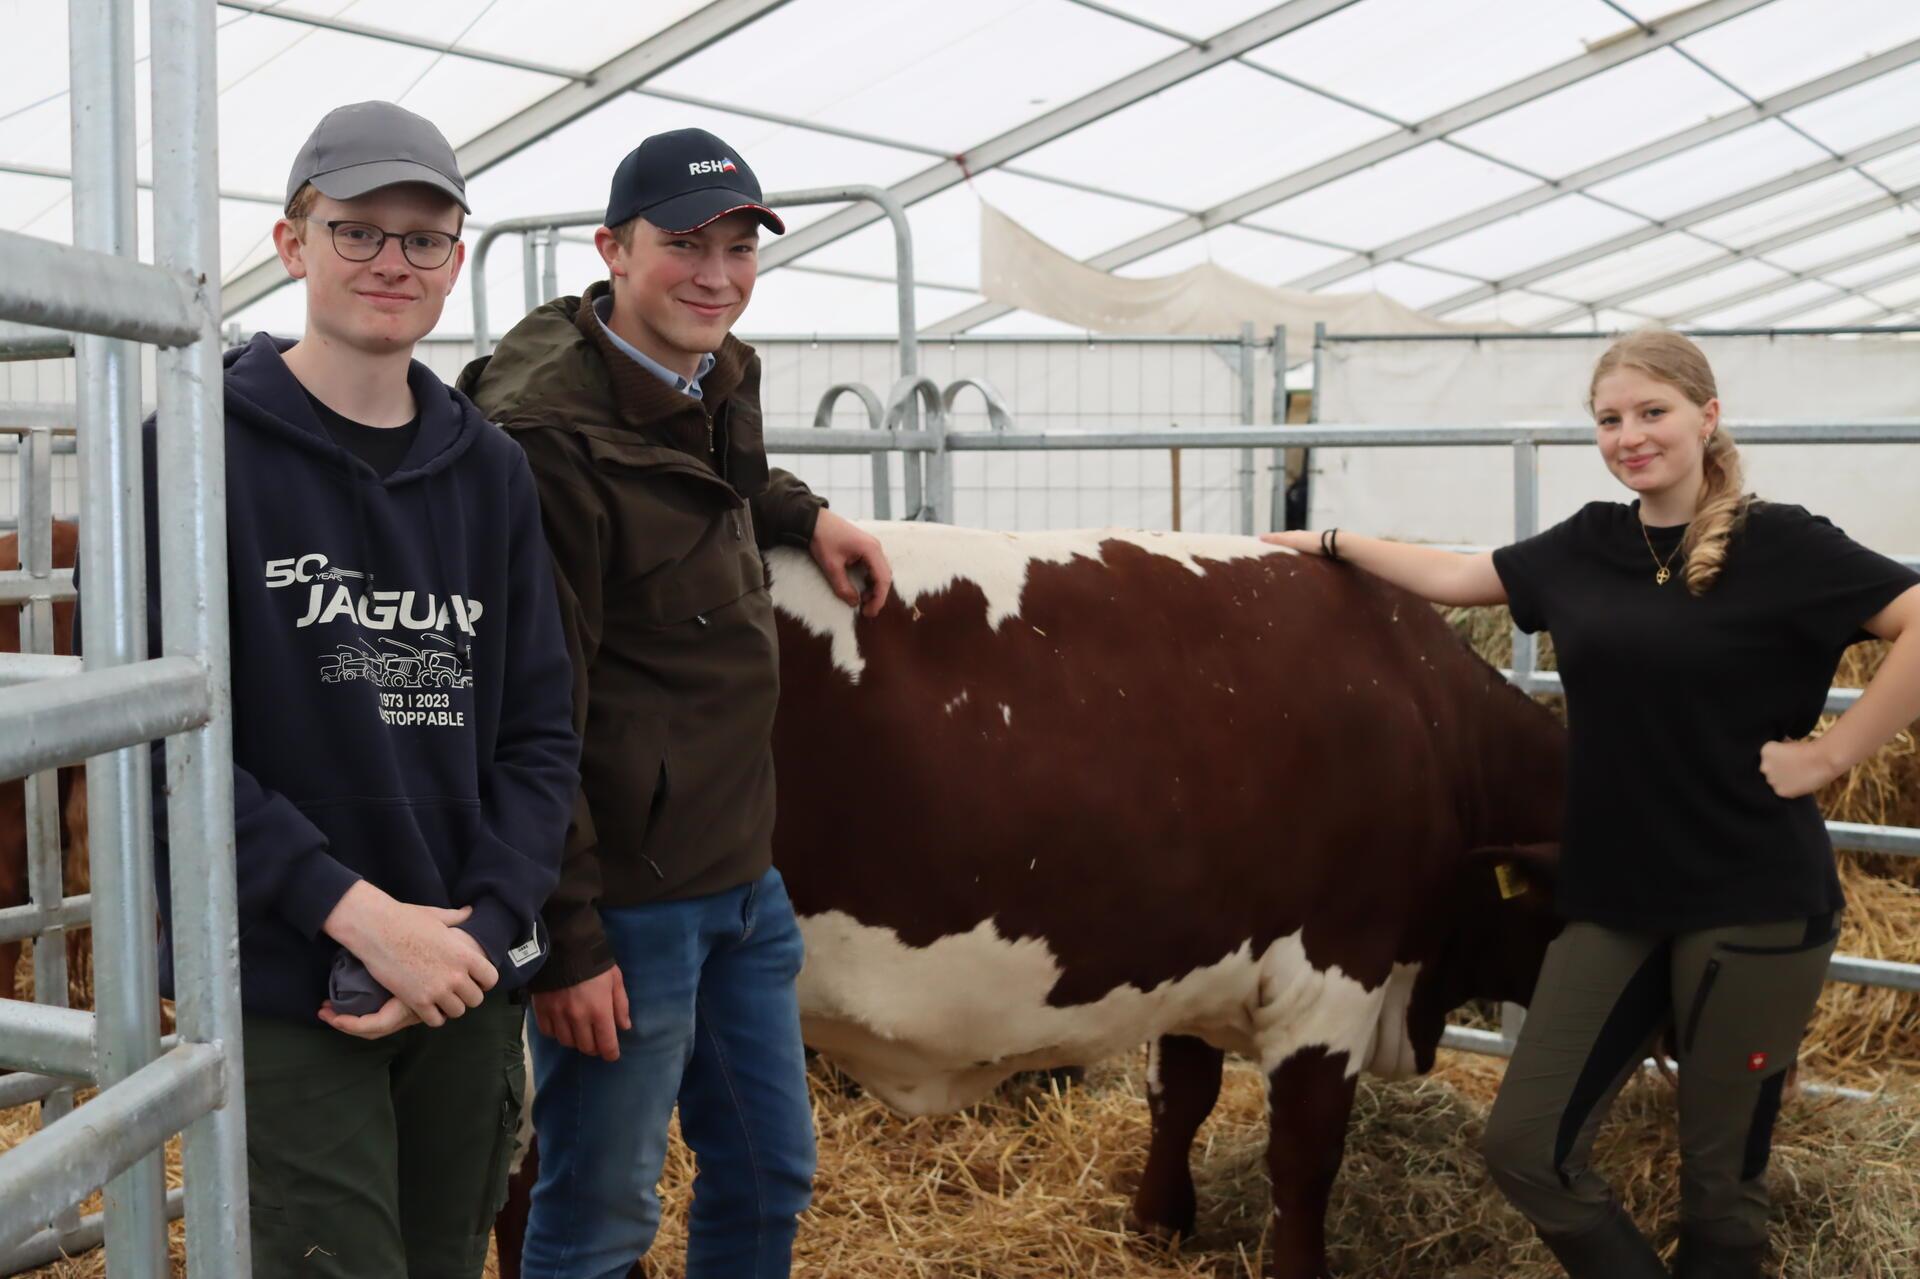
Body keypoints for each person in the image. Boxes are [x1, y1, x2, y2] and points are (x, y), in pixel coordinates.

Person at [1262, 329, 1920, 1279]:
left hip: (1756, 902)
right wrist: (1326, 542)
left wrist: (1833, 754)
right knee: (1525, 1144)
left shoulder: (1784, 542)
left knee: (1720, 1187)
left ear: (1708, 416)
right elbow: (1457, 575)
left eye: (1652, 412)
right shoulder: (1586, 544)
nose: (1630, 436)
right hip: (1615, 898)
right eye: (1609, 419)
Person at [128, 101, 579, 1277]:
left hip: (462, 976)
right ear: (291, 244)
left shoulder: (492, 471)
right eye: (356, 230)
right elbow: (164, 736)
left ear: (456, 263)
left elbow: (538, 734)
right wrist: (355, 911)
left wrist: (479, 929)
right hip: (287, 973)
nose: (391, 261)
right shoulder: (192, 450)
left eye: (422, 238)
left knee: (444, 1255)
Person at [460, 126, 893, 1279]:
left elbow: (723, 476)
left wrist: (805, 515)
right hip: (628, 904)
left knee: (770, 1168)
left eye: (741, 244)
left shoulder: (711, 369)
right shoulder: (547, 440)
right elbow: (522, 704)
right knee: (601, 1210)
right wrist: (567, 938)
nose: (717, 273)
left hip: (740, 879)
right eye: (684, 244)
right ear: (613, 248)